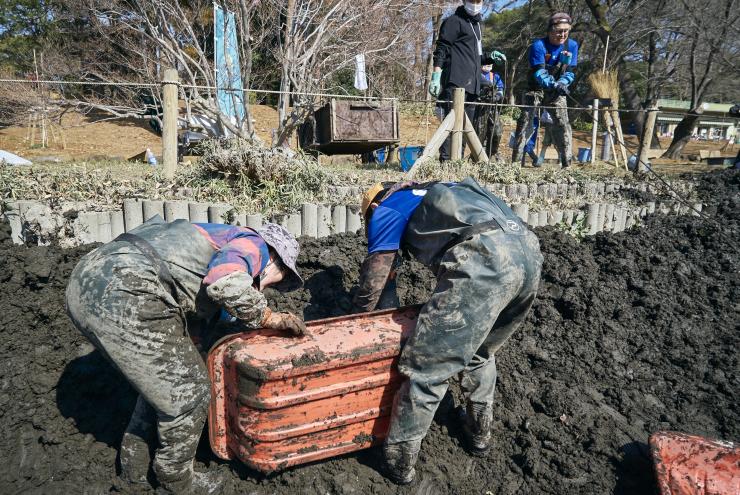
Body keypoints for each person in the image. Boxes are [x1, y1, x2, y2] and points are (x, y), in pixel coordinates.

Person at [65, 217, 306, 494]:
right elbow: (225, 282)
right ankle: (177, 483)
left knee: (163, 386)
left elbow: (192, 318)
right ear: (277, 260)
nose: (269, 288)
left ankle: (133, 474)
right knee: (191, 392)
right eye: (282, 280)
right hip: (126, 288)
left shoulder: (207, 245)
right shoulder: (254, 244)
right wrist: (269, 317)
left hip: (88, 282)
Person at [353, 178, 543, 484]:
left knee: (428, 366)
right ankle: (478, 431)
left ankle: (398, 462)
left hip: (484, 259)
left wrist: (359, 321)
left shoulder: (385, 210)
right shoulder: (436, 190)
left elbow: (376, 276)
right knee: (480, 351)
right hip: (528, 252)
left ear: (373, 207)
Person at [429, 1, 504, 161]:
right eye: (472, 0)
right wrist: (436, 75)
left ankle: (457, 165)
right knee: (450, 129)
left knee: (465, 130)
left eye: (479, 1)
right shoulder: (453, 21)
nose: (475, 4)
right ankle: (446, 166)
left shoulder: (477, 25)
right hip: (455, 83)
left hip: (473, 86)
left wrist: (489, 57)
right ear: (464, 1)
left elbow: (473, 57)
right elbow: (442, 48)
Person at [512, 12, 578, 168]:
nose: (562, 34)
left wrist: (563, 82)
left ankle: (566, 164)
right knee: (526, 121)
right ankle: (515, 163)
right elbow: (538, 71)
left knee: (563, 124)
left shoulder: (572, 45)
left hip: (556, 90)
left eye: (566, 31)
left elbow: (571, 70)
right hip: (535, 87)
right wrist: (553, 83)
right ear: (550, 30)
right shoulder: (538, 46)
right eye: (559, 31)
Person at [477, 55, 506, 157]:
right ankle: (477, 158)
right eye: (486, 62)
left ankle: (490, 154)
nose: (488, 64)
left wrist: (497, 96)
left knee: (497, 133)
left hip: (493, 109)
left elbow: (501, 91)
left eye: (490, 62)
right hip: (479, 109)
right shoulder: (476, 75)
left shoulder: (495, 76)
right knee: (480, 135)